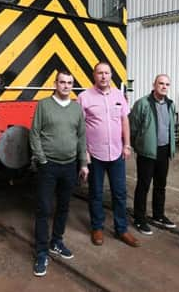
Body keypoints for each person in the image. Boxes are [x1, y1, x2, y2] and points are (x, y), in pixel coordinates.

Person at [30, 71, 89, 277]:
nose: (65, 86)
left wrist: (83, 163)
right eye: (62, 82)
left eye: (69, 83)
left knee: (64, 207)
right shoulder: (44, 105)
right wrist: (42, 159)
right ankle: (41, 252)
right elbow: (34, 133)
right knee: (44, 209)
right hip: (49, 166)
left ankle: (57, 241)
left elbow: (81, 137)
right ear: (55, 84)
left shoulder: (76, 108)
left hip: (70, 166)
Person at [77, 62, 139, 247]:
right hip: (95, 154)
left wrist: (127, 145)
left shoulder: (119, 95)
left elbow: (124, 121)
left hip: (117, 153)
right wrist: (84, 151)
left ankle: (122, 229)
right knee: (95, 193)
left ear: (111, 75)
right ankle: (97, 228)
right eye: (100, 73)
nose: (103, 76)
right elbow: (79, 127)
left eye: (107, 73)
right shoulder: (84, 97)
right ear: (94, 75)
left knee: (119, 193)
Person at [130, 74, 177, 235]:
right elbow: (133, 128)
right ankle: (139, 219)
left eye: (167, 84)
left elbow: (171, 127)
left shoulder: (170, 105)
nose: (164, 86)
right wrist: (138, 146)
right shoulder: (142, 104)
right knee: (143, 186)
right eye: (161, 83)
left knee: (160, 185)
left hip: (164, 151)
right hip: (147, 152)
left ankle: (158, 215)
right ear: (154, 84)